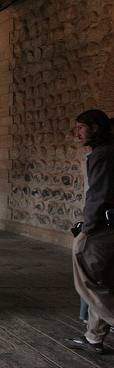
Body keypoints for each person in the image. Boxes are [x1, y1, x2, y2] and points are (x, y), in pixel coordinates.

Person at [63, 109, 114, 354]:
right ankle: (94, 336)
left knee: (87, 284)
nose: (77, 133)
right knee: (103, 282)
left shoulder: (103, 155)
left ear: (95, 128)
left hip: (100, 230)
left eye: (81, 127)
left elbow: (98, 194)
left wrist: (87, 228)